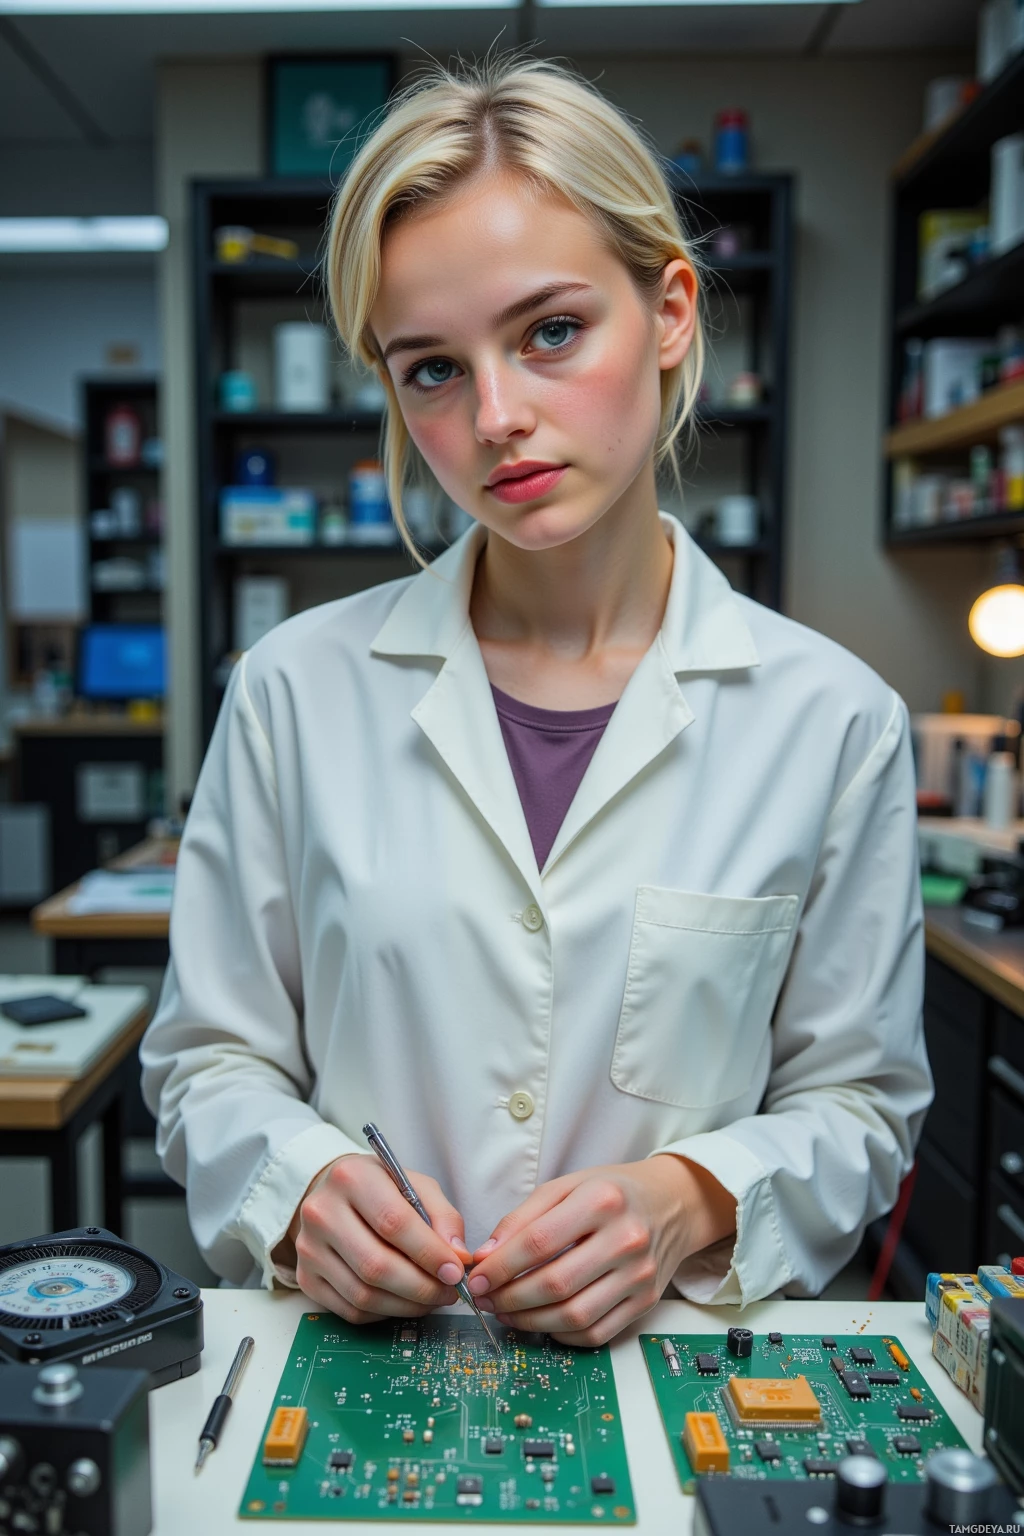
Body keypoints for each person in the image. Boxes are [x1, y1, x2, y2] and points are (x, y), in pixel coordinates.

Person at [141, 55, 931, 1344]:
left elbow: (862, 1106)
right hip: (361, 1375)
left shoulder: (831, 720)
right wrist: (301, 1191)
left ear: (669, 310)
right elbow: (206, 1060)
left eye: (551, 331)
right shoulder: (293, 690)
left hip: (676, 1380)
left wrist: (684, 1200)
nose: (497, 416)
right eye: (431, 370)